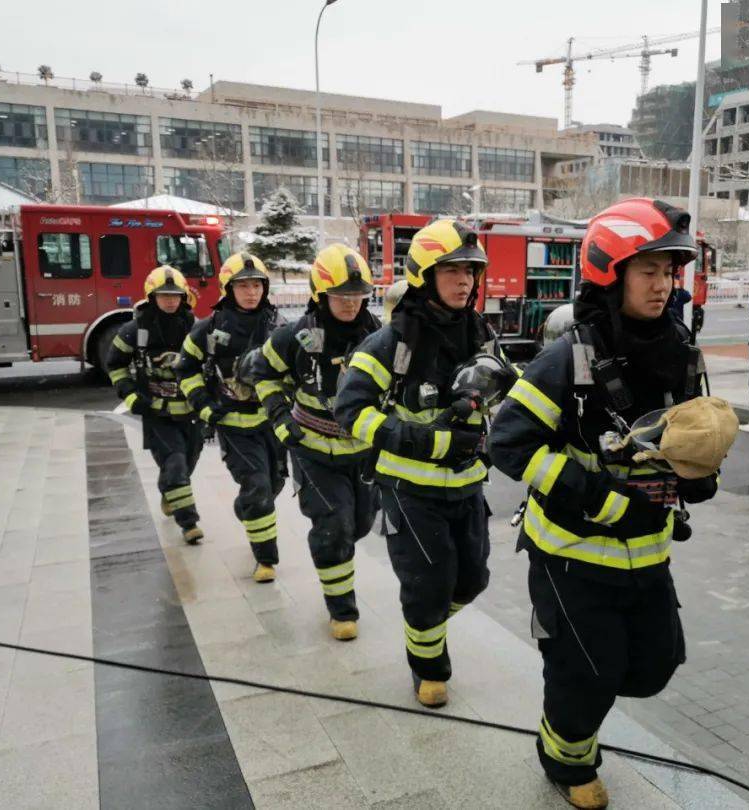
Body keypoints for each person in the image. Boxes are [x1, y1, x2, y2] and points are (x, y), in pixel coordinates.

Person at [489, 198, 722, 810]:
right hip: (569, 555)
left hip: (647, 556)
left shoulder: (679, 351)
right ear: (609, 272)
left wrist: (698, 476)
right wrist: (598, 497)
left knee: (654, 666)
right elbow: (508, 443)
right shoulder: (568, 358)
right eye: (648, 270)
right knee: (585, 673)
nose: (663, 284)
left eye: (670, 272)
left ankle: (576, 717)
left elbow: (679, 439)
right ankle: (567, 759)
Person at [334, 220, 514, 709]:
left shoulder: (480, 333)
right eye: (451, 270)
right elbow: (350, 412)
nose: (464, 281)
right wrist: (425, 441)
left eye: (470, 271)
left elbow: (507, 390)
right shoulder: (390, 344)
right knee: (428, 585)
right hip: (409, 492)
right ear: (423, 275)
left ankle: (426, 621)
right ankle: (429, 669)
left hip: (468, 487)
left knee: (472, 580)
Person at [250, 244, 381, 640]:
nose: (350, 303)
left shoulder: (380, 335)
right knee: (334, 526)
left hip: (364, 454)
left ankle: (337, 556)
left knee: (359, 525)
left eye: (357, 296)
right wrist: (278, 418)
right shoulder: (294, 337)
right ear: (320, 295)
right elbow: (263, 374)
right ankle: (342, 610)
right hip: (313, 451)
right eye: (341, 296)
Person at [177, 252, 286, 582]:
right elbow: (185, 368)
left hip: (272, 424)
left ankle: (247, 508)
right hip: (233, 426)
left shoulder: (279, 326)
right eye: (243, 286)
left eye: (257, 285)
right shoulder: (208, 330)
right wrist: (204, 405)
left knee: (274, 482)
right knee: (258, 486)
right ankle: (265, 560)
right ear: (229, 289)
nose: (251, 292)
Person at [107, 265, 204, 544]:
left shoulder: (195, 328)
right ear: (152, 296)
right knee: (174, 463)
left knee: (186, 464)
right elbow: (115, 364)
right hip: (156, 412)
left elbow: (208, 365)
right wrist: (131, 395)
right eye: (164, 295)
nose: (171, 300)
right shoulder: (134, 330)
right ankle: (189, 523)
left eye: (175, 295)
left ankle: (168, 491)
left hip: (190, 413)